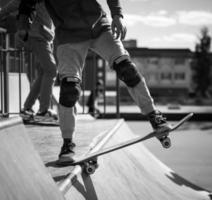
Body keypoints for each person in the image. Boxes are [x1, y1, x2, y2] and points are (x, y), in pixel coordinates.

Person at [18, 0, 171, 164]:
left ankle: (153, 115)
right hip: (69, 36)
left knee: (127, 69)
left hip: (99, 27)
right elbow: (27, 4)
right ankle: (67, 144)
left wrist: (117, 15)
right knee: (70, 88)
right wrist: (23, 24)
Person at [0, 0, 58, 121]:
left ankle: (27, 109)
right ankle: (43, 111)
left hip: (44, 37)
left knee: (44, 72)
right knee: (51, 70)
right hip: (37, 37)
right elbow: (14, 4)